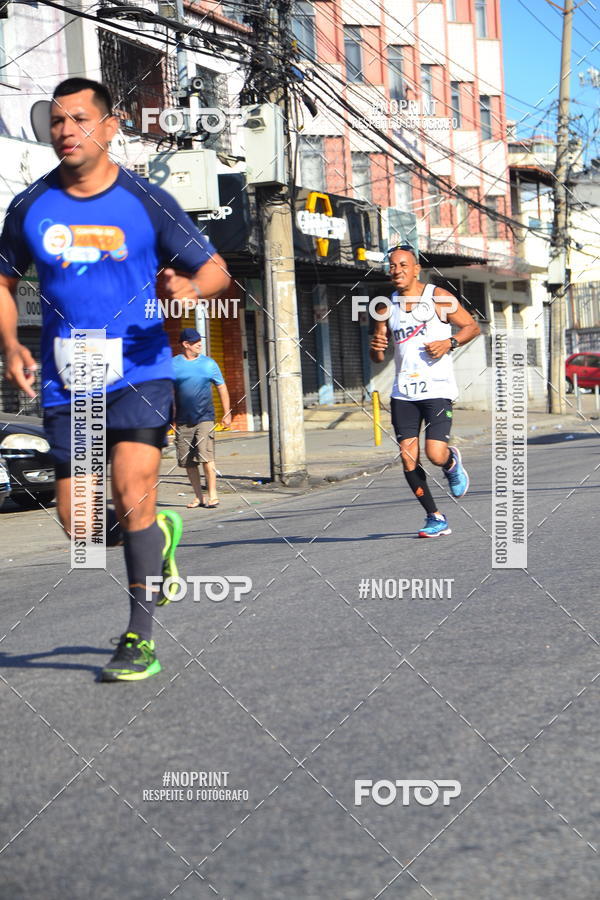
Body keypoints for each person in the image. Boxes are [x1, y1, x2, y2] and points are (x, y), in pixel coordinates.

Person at [0, 78, 230, 680]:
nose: (65, 131)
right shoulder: (29, 205)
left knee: (132, 492)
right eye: (55, 122)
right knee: (79, 525)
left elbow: (215, 271)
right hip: (66, 377)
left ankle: (139, 637)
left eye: (78, 119)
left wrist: (188, 286)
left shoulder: (145, 200)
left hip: (140, 369)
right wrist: (9, 345)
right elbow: (1, 282)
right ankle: (157, 537)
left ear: (110, 126)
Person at [370, 244, 480, 538]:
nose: (397, 271)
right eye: (392, 266)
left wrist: (449, 343)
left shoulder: (438, 298)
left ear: (416, 268)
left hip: (437, 389)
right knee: (408, 457)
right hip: (403, 392)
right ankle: (434, 516)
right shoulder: (385, 307)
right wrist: (376, 349)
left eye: (403, 265)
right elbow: (379, 353)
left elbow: (471, 327)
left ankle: (451, 461)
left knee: (434, 453)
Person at [172, 327, 231, 508]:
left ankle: (213, 494)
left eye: (200, 340)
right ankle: (199, 496)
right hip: (182, 421)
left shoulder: (209, 364)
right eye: (195, 341)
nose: (200, 344)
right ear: (185, 344)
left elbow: (221, 386)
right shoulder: (173, 365)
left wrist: (227, 412)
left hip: (205, 417)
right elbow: (167, 391)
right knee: (188, 462)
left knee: (206, 457)